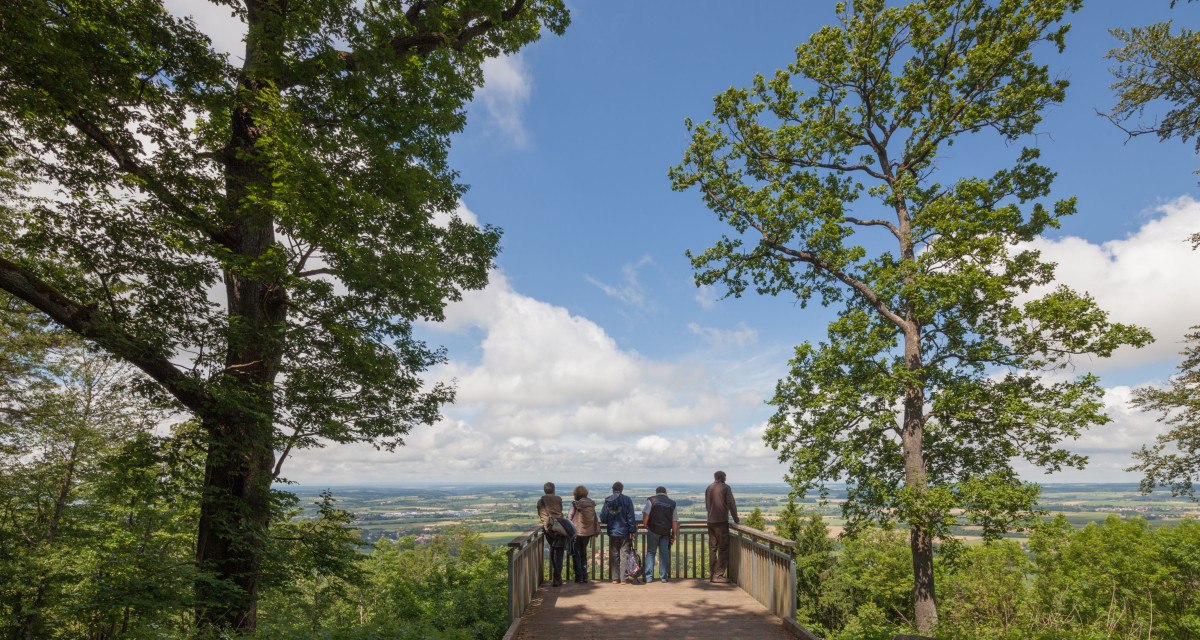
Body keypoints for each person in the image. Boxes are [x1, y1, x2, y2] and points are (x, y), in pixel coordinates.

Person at [705, 470, 739, 583]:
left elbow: (707, 505)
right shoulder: (725, 487)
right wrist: (736, 520)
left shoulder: (709, 488)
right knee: (723, 548)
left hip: (710, 521)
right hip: (721, 521)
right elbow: (731, 504)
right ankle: (718, 575)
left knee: (713, 548)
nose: (726, 478)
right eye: (725, 476)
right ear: (722, 477)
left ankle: (712, 573)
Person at [599, 481, 636, 584]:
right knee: (625, 554)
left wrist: (610, 521)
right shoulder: (627, 500)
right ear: (622, 489)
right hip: (625, 531)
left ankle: (615, 579)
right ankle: (624, 578)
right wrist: (632, 530)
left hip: (612, 531)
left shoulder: (608, 500)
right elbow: (631, 517)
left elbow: (603, 517)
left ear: (613, 489)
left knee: (614, 554)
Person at [641, 485, 678, 583]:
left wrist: (646, 525)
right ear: (666, 493)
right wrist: (673, 535)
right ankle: (664, 577)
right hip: (666, 532)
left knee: (651, 552)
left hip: (653, 530)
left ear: (656, 492)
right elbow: (674, 522)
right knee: (664, 553)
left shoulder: (651, 500)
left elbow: (645, 515)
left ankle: (649, 577)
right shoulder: (672, 503)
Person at [537, 481, 567, 587]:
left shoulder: (540, 501)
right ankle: (557, 578)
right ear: (554, 490)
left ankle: (556, 578)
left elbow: (541, 516)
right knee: (559, 552)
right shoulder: (558, 499)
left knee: (553, 550)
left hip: (548, 529)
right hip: (559, 528)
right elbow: (560, 512)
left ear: (545, 490)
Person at [568, 485, 599, 583]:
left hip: (576, 533)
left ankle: (579, 577)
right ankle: (585, 575)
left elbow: (569, 517)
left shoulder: (575, 504)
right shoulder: (591, 504)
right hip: (587, 533)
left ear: (576, 494)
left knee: (576, 554)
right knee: (583, 554)